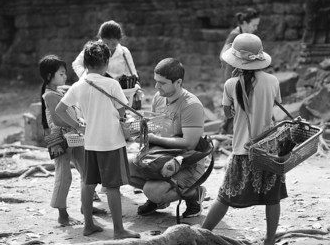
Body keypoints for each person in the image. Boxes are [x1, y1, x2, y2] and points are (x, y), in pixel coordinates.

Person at [202, 33, 287, 245]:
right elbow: (274, 109)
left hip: (243, 149)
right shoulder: (273, 81)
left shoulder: (231, 84)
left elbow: (228, 115)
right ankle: (269, 241)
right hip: (269, 150)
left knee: (225, 196)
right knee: (272, 197)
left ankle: (203, 233)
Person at [55, 41, 140, 239]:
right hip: (112, 142)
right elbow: (122, 112)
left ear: (85, 64)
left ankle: (88, 225)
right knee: (112, 186)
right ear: (106, 63)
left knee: (88, 182)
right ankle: (119, 230)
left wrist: (77, 125)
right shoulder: (112, 84)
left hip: (90, 141)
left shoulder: (78, 85)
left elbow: (60, 110)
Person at [128, 58, 207, 218]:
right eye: (156, 81)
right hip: (163, 156)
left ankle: (193, 194)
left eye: (162, 83)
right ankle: (157, 198)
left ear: (178, 82)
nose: (157, 87)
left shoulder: (191, 105)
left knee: (151, 190)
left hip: (187, 162)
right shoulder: (159, 97)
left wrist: (154, 139)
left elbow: (189, 144)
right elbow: (155, 127)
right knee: (124, 166)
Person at [39, 55, 86, 227]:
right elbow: (58, 120)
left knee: (87, 171)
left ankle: (86, 206)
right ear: (50, 76)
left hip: (75, 136)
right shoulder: (49, 95)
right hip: (59, 138)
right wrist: (78, 125)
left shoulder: (59, 91)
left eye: (65, 73)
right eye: (61, 73)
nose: (65, 76)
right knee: (64, 176)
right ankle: (63, 215)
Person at [219, 8, 260, 134]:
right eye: (253, 25)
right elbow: (222, 55)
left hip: (244, 72)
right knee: (234, 100)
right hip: (233, 71)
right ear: (244, 23)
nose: (255, 28)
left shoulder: (248, 35)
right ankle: (226, 129)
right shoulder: (235, 35)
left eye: (257, 25)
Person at [72, 20, 138, 80]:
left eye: (113, 44)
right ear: (101, 38)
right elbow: (76, 64)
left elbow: (132, 74)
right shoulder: (93, 50)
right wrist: (86, 77)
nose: (109, 47)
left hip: (119, 90)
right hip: (97, 88)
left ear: (119, 40)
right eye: (106, 43)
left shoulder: (124, 52)